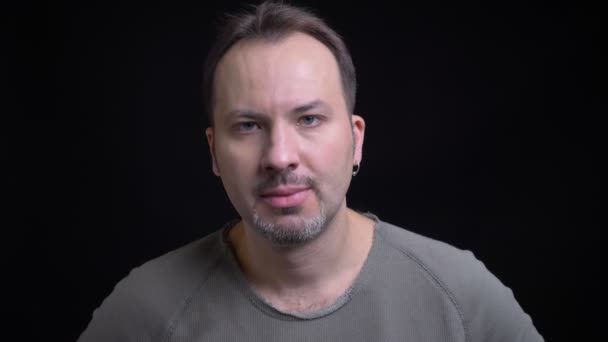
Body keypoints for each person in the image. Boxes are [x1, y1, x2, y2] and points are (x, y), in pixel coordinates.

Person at [78, 1, 544, 341]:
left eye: (309, 119)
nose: (280, 156)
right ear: (214, 151)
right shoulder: (146, 313)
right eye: (248, 125)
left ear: (356, 138)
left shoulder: (460, 296)